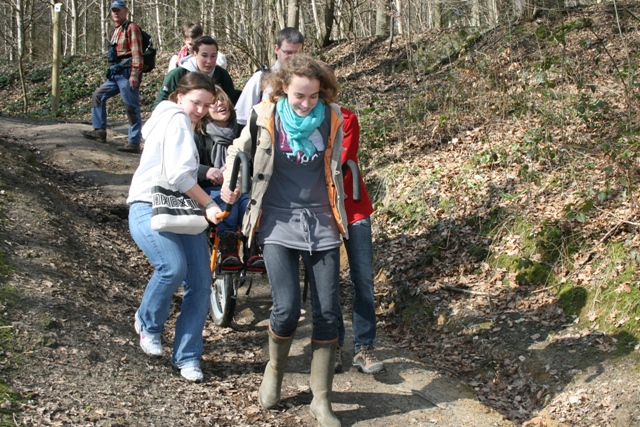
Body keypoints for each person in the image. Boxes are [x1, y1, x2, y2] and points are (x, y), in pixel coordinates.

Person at [222, 55, 347, 427]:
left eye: (312, 96)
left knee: (328, 312)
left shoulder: (334, 117)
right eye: (298, 96)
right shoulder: (265, 115)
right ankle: (274, 370)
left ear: (321, 91)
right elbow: (237, 150)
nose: (306, 103)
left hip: (323, 219)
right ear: (283, 90)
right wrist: (229, 183)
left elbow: (338, 163)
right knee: (287, 306)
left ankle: (321, 398)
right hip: (276, 216)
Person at [126, 72, 224, 383]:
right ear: (179, 96)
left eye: (206, 105)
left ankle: (188, 355)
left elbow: (174, 164)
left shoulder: (168, 118)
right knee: (172, 267)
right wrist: (209, 204)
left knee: (200, 280)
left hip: (179, 211)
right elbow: (181, 177)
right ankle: (148, 323)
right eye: (196, 102)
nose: (200, 110)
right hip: (149, 205)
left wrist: (208, 172)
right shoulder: (178, 119)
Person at [335, 108, 384, 375]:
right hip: (321, 210)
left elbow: (342, 157)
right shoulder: (299, 118)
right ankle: (333, 344)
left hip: (354, 208)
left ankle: (364, 346)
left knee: (363, 279)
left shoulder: (347, 118)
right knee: (326, 281)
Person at [193, 85, 248, 267]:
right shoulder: (199, 135)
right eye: (213, 103)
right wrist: (207, 171)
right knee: (226, 203)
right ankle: (229, 250)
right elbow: (187, 164)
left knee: (250, 203)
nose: (219, 105)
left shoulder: (244, 131)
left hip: (243, 186)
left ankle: (253, 249)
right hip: (209, 188)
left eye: (222, 99)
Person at [82, 0, 143, 154]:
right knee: (98, 95)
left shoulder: (131, 27)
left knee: (131, 106)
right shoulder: (115, 30)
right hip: (116, 73)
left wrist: (135, 74)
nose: (116, 13)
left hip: (127, 72)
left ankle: (134, 142)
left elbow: (137, 53)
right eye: (113, 10)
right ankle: (99, 131)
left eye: (119, 10)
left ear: (126, 11)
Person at [234, 27, 304, 129]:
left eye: (297, 53)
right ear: (277, 49)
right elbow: (242, 118)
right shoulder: (261, 77)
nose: (293, 58)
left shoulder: (309, 79)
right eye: (288, 53)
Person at [153, 36, 238, 109]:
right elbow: (160, 103)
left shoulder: (222, 75)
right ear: (195, 54)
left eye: (213, 56)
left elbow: (231, 101)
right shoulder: (177, 75)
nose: (209, 61)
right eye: (204, 56)